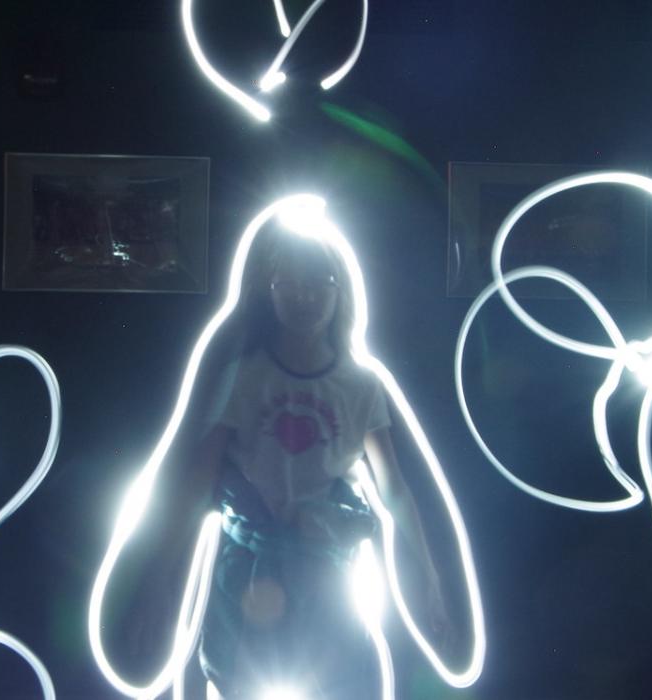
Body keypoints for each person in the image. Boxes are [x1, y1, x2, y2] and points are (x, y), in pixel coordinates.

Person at [136, 226, 453, 699]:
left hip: (326, 574)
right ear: (271, 289)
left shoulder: (360, 384)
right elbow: (195, 482)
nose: (304, 295)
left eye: (318, 281)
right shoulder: (244, 376)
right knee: (239, 683)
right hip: (248, 569)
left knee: (330, 683)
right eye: (291, 281)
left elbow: (394, 489)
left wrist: (429, 577)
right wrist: (157, 587)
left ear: (338, 289)